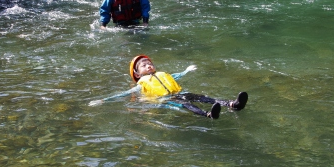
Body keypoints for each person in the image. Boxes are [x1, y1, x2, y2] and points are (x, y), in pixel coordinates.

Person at [89, 55, 248, 119]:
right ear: (137, 74)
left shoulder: (163, 74)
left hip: (180, 92)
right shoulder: (140, 84)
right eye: (144, 65)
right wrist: (104, 100)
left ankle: (232, 104)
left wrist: (186, 70)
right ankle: (208, 114)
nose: (148, 65)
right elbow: (124, 93)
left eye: (149, 63)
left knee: (202, 97)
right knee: (187, 105)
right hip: (167, 99)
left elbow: (176, 76)